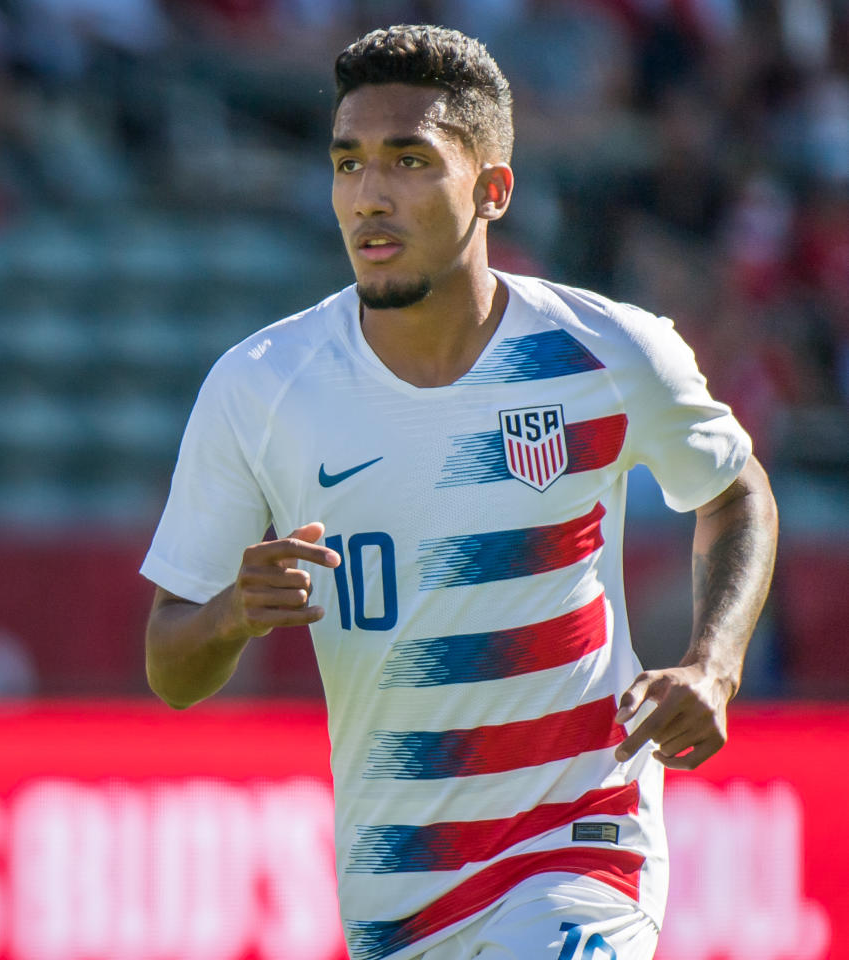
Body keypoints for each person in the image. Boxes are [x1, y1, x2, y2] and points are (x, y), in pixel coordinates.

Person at [140, 24, 778, 960]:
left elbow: (735, 489)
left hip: (580, 845)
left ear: (492, 189)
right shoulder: (261, 386)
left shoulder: (607, 352)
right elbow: (169, 664)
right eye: (348, 163)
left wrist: (714, 665)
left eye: (409, 160)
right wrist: (236, 611)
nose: (370, 195)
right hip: (398, 889)